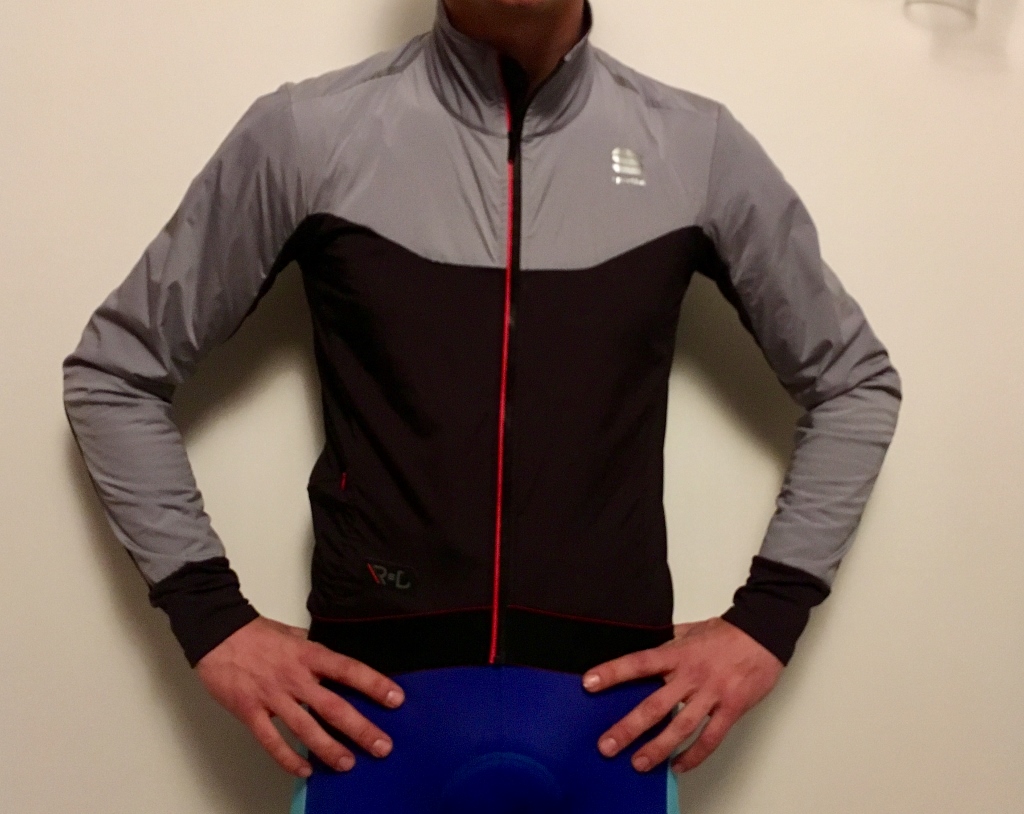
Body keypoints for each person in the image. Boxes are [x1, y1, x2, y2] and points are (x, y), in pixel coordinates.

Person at [63, 0, 902, 811]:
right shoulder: (308, 134)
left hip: (610, 734)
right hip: (377, 734)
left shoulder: (694, 147)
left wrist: (767, 622)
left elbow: (854, 382)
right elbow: (115, 371)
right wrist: (212, 619)